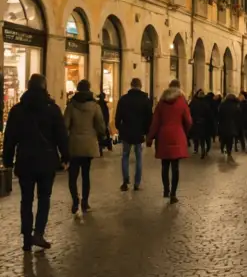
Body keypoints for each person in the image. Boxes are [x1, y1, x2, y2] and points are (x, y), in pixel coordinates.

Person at [2, 74, 68, 251]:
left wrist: (7, 159)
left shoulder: (18, 110)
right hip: (47, 160)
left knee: (26, 200)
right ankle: (38, 233)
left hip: (25, 160)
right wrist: (66, 156)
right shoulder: (52, 109)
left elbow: (10, 138)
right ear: (44, 87)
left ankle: (26, 237)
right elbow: (61, 135)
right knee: (44, 198)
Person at [64, 80, 106, 214]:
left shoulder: (71, 105)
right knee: (86, 175)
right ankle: (85, 202)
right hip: (88, 144)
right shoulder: (95, 106)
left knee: (73, 175)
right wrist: (101, 134)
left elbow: (65, 125)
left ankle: (75, 200)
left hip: (74, 144)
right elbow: (100, 125)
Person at [146, 85, 192, 203]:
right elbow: (188, 121)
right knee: (175, 167)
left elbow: (155, 122)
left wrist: (150, 137)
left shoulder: (161, 104)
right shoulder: (181, 102)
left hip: (163, 136)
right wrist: (185, 132)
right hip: (177, 135)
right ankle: (173, 194)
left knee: (165, 165)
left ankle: (166, 189)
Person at [115, 78, 153, 191]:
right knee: (139, 157)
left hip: (126, 132)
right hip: (139, 132)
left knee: (125, 156)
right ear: (140, 86)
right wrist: (146, 132)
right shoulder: (145, 100)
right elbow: (149, 118)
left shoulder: (123, 99)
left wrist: (120, 128)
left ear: (131, 85)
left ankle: (125, 181)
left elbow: (118, 117)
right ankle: (137, 183)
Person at [218, 93, 241, 161]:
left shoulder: (222, 105)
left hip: (223, 124)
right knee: (230, 140)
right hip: (232, 125)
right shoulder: (235, 106)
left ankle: (222, 147)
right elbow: (238, 116)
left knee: (223, 137)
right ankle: (229, 152)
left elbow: (219, 115)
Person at [189, 89, 212, 158]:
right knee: (203, 138)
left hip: (196, 122)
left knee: (196, 137)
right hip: (204, 123)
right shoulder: (206, 103)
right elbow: (209, 114)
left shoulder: (194, 102)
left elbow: (190, 111)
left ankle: (197, 149)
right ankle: (203, 149)